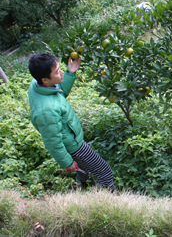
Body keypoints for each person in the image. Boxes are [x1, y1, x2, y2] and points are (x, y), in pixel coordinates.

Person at [28, 53, 115, 192]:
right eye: (57, 72)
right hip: (75, 147)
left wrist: (70, 73)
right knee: (104, 171)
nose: (61, 72)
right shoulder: (46, 111)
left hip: (71, 141)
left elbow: (59, 92)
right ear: (45, 79)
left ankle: (87, 193)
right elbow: (52, 141)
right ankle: (111, 202)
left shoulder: (37, 86)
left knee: (84, 171)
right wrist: (67, 162)